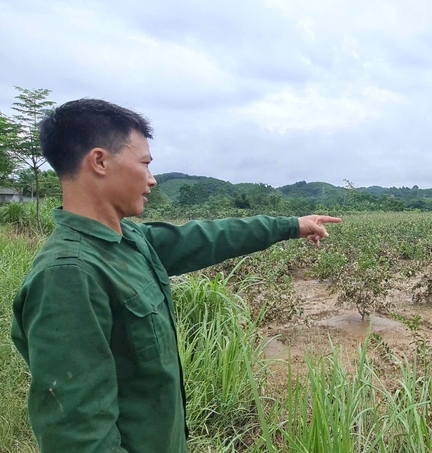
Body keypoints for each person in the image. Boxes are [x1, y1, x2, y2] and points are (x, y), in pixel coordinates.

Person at [11, 99, 340, 453]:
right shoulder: (69, 275)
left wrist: (291, 225)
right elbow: (78, 436)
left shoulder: (129, 239)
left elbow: (208, 237)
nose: (152, 179)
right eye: (145, 164)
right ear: (100, 161)